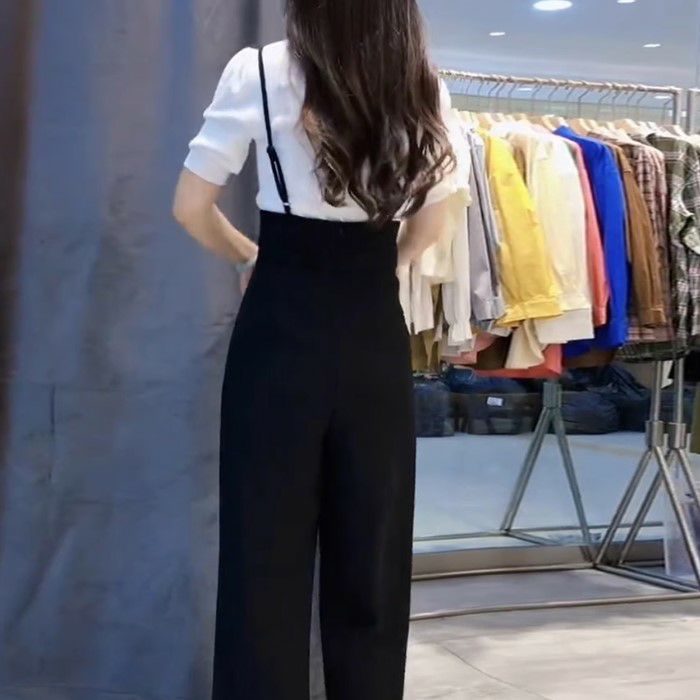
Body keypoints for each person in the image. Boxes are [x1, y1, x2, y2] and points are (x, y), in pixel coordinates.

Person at [173, 1, 465, 697]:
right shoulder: (420, 83)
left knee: (262, 550)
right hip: (371, 328)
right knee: (372, 550)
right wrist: (388, 264)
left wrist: (251, 257)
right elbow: (440, 215)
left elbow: (189, 206)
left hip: (279, 326)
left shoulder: (259, 70)